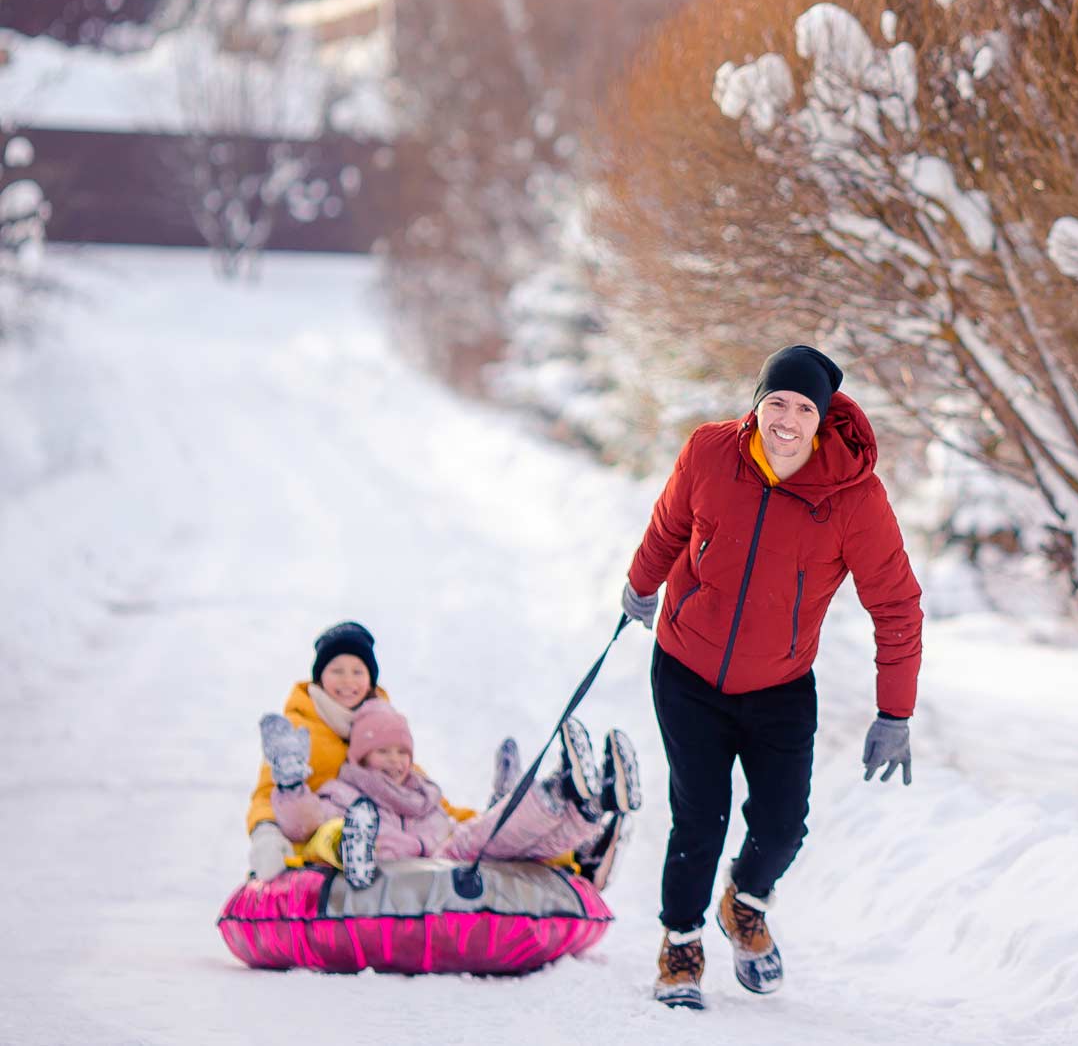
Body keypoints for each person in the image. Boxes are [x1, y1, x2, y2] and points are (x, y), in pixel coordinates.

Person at [620, 344, 922, 1009]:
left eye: (803, 407)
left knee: (784, 824)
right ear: (757, 403)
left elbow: (896, 602)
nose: (786, 418)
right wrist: (642, 585)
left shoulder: (854, 498)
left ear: (824, 417)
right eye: (775, 401)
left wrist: (894, 711)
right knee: (699, 817)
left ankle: (745, 901)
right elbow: (671, 522)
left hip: (780, 683)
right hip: (687, 668)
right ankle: (680, 941)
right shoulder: (710, 452)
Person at [258, 699, 640, 889]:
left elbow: (453, 826)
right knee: (474, 841)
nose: (395, 761)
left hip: (440, 865)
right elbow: (303, 822)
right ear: (360, 756)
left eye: (402, 752)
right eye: (383, 752)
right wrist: (291, 784)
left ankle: (589, 808)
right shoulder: (342, 792)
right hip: (393, 867)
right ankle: (559, 790)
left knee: (510, 848)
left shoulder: (422, 796)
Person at [244, 622, 476, 881]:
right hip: (313, 851)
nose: (348, 681)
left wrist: (477, 822)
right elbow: (268, 793)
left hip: (382, 847)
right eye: (337, 671)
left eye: (358, 671)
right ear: (320, 677)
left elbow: (418, 792)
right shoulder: (300, 730)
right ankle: (351, 847)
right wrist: (266, 832)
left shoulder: (383, 729)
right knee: (333, 831)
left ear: (370, 680)